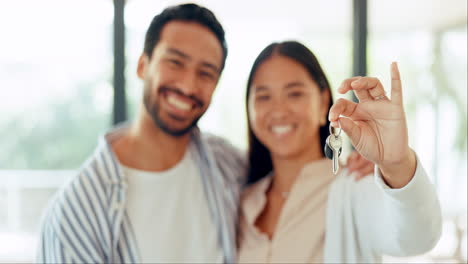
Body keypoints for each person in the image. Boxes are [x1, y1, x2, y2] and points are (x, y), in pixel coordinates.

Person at [36, 4, 374, 263]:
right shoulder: (76, 212)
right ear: (143, 66)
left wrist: (379, 170)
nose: (187, 85)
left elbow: (292, 174)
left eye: (206, 72)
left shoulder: (226, 164)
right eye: (175, 62)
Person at [237, 41, 442, 263]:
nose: (278, 110)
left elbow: (418, 238)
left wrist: (397, 163)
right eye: (263, 96)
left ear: (324, 101)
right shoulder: (244, 201)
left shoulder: (355, 186)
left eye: (294, 94)